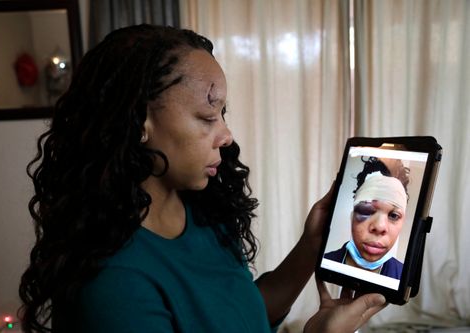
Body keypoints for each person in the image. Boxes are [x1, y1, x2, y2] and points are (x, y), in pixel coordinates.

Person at [19, 24, 386, 333]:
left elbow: (237, 314)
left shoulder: (201, 210)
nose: (226, 135)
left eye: (222, 114)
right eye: (208, 116)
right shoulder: (114, 282)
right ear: (138, 122)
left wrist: (311, 245)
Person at [325, 157, 410, 279]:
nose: (380, 227)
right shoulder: (326, 262)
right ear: (352, 215)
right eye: (367, 210)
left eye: (393, 215)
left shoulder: (404, 277)